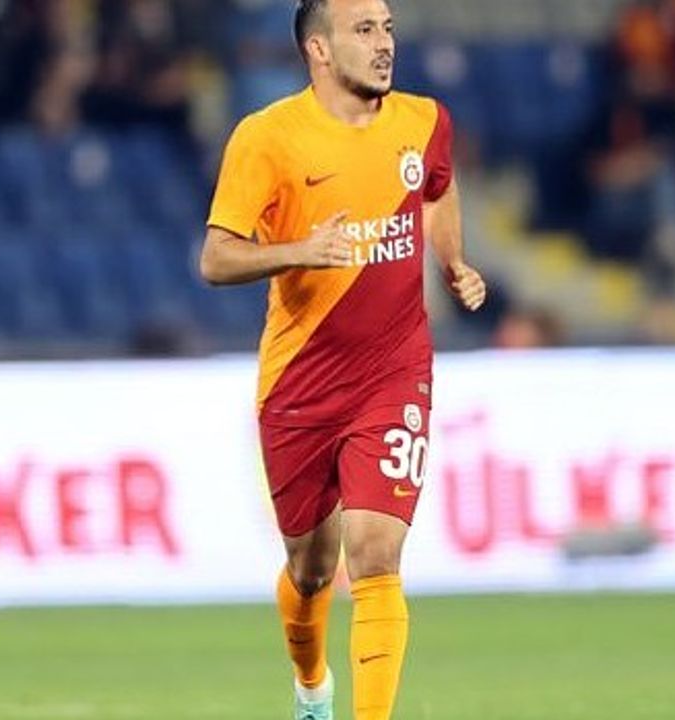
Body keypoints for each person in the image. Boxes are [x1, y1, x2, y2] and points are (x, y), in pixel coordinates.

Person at [198, 1, 486, 718]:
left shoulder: (425, 121)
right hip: (300, 381)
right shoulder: (267, 137)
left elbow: (439, 186)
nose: (384, 44)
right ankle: (310, 688)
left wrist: (452, 262)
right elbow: (216, 258)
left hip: (395, 370)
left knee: (376, 554)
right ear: (319, 50)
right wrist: (299, 250)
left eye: (387, 28)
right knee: (311, 568)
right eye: (364, 30)